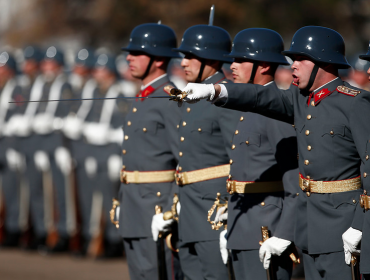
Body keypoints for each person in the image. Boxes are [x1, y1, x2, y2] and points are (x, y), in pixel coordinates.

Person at [179, 26, 370, 280]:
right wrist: (215, 91)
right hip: (310, 228)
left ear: (322, 62)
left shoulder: (355, 102)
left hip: (344, 223)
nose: (293, 65)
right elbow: (260, 97)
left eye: (300, 59)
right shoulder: (300, 99)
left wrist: (359, 224)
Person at [213, 28, 299, 280]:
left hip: (266, 230)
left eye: (241, 60)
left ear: (262, 65)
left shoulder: (276, 112)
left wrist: (284, 233)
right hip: (242, 228)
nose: (232, 66)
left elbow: (294, 181)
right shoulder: (248, 110)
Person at [171, 24, 241, 280]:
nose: (184, 62)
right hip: (189, 207)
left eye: (191, 56)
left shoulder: (226, 97)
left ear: (212, 59)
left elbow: (240, 158)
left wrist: (231, 207)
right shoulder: (193, 96)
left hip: (215, 208)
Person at [119, 22, 183, 280]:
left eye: (137, 53)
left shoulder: (169, 99)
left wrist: (170, 208)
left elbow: (185, 160)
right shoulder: (143, 97)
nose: (129, 58)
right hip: (133, 204)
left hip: (157, 206)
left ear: (158, 59)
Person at [81, 52, 123, 258]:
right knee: (93, 198)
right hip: (95, 152)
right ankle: (96, 238)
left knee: (111, 201)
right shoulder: (97, 93)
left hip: (111, 153)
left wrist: (117, 154)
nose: (97, 74)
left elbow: (124, 128)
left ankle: (114, 241)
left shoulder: (121, 94)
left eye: (101, 70)